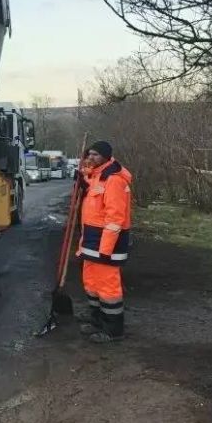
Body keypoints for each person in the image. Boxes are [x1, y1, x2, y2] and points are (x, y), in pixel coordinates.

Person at [76, 141, 133, 343]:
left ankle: (113, 330)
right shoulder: (96, 176)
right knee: (91, 283)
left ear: (107, 157)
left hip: (105, 245)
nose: (91, 158)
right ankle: (97, 320)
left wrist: (105, 250)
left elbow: (115, 218)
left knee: (108, 288)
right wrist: (82, 177)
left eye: (96, 155)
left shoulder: (114, 180)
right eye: (89, 154)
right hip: (92, 241)